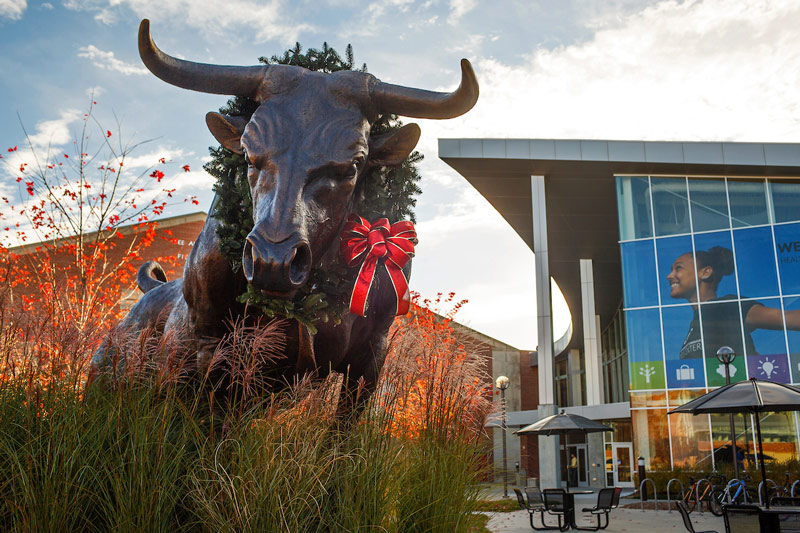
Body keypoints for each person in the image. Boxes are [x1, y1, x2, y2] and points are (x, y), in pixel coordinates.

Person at [667, 246, 800, 359]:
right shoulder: (696, 321)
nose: (670, 276)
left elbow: (785, 318)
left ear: (706, 273)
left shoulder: (726, 307)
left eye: (678, 268)